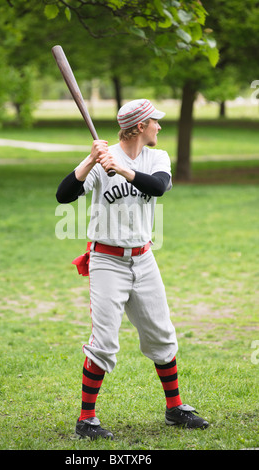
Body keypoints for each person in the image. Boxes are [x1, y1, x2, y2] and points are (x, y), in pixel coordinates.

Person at [56, 99, 209, 440]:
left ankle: (175, 408)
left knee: (161, 334)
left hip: (143, 258)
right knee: (105, 342)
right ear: (140, 126)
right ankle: (86, 420)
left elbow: (159, 187)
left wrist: (122, 169)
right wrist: (90, 162)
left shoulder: (157, 158)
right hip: (107, 261)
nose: (159, 126)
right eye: (155, 121)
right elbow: (63, 196)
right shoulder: (101, 158)